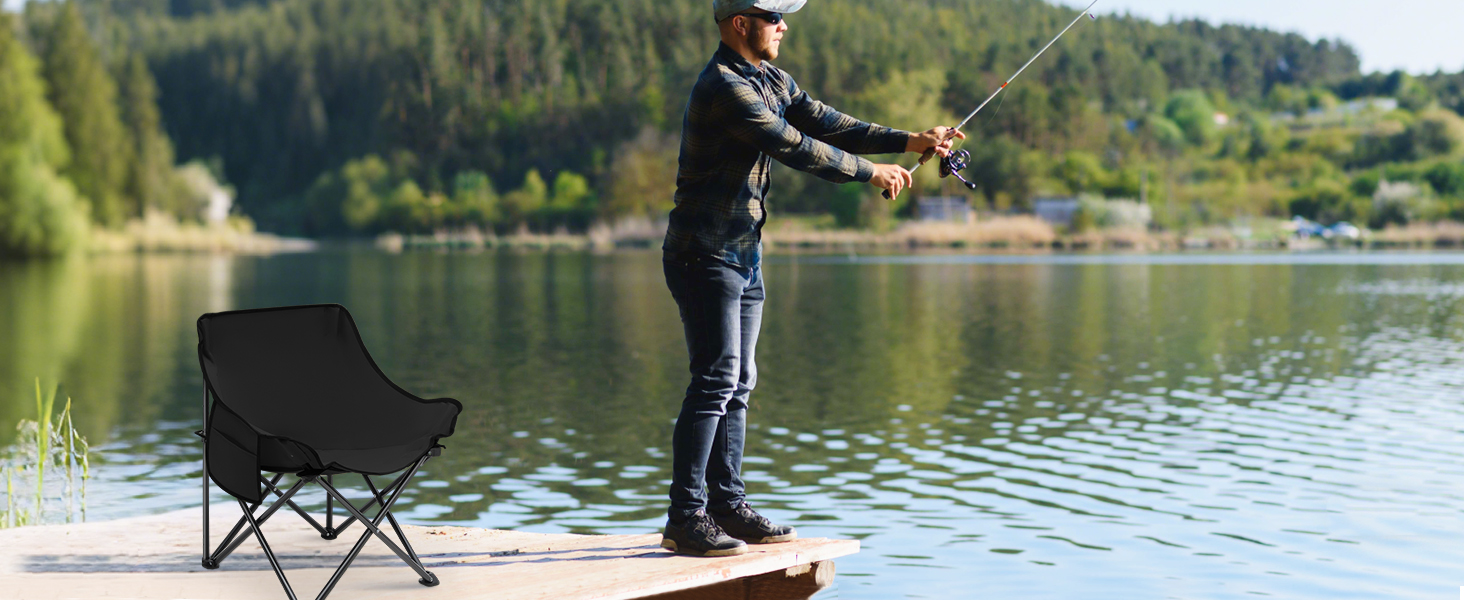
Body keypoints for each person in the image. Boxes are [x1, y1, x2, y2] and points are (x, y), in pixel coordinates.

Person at [659, 0, 964, 557]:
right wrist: (871, 172)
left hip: (742, 253)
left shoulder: (771, 78)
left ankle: (726, 504)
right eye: (774, 17)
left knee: (738, 383)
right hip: (701, 254)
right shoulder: (725, 87)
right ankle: (685, 517)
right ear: (740, 24)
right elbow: (792, 145)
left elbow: (825, 122)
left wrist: (910, 141)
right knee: (715, 379)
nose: (784, 25)